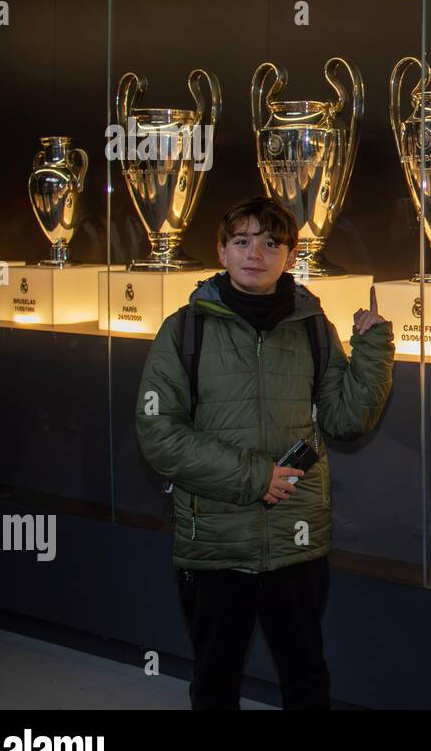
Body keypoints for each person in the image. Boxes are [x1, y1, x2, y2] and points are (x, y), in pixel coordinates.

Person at [135, 196, 394, 709]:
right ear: (222, 251)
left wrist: (373, 349)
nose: (256, 253)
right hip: (214, 540)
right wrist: (256, 477)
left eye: (271, 242)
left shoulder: (313, 327)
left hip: (296, 542)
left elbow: (346, 420)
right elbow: (158, 433)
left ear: (291, 254)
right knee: (215, 681)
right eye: (242, 241)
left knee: (305, 678)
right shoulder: (185, 329)